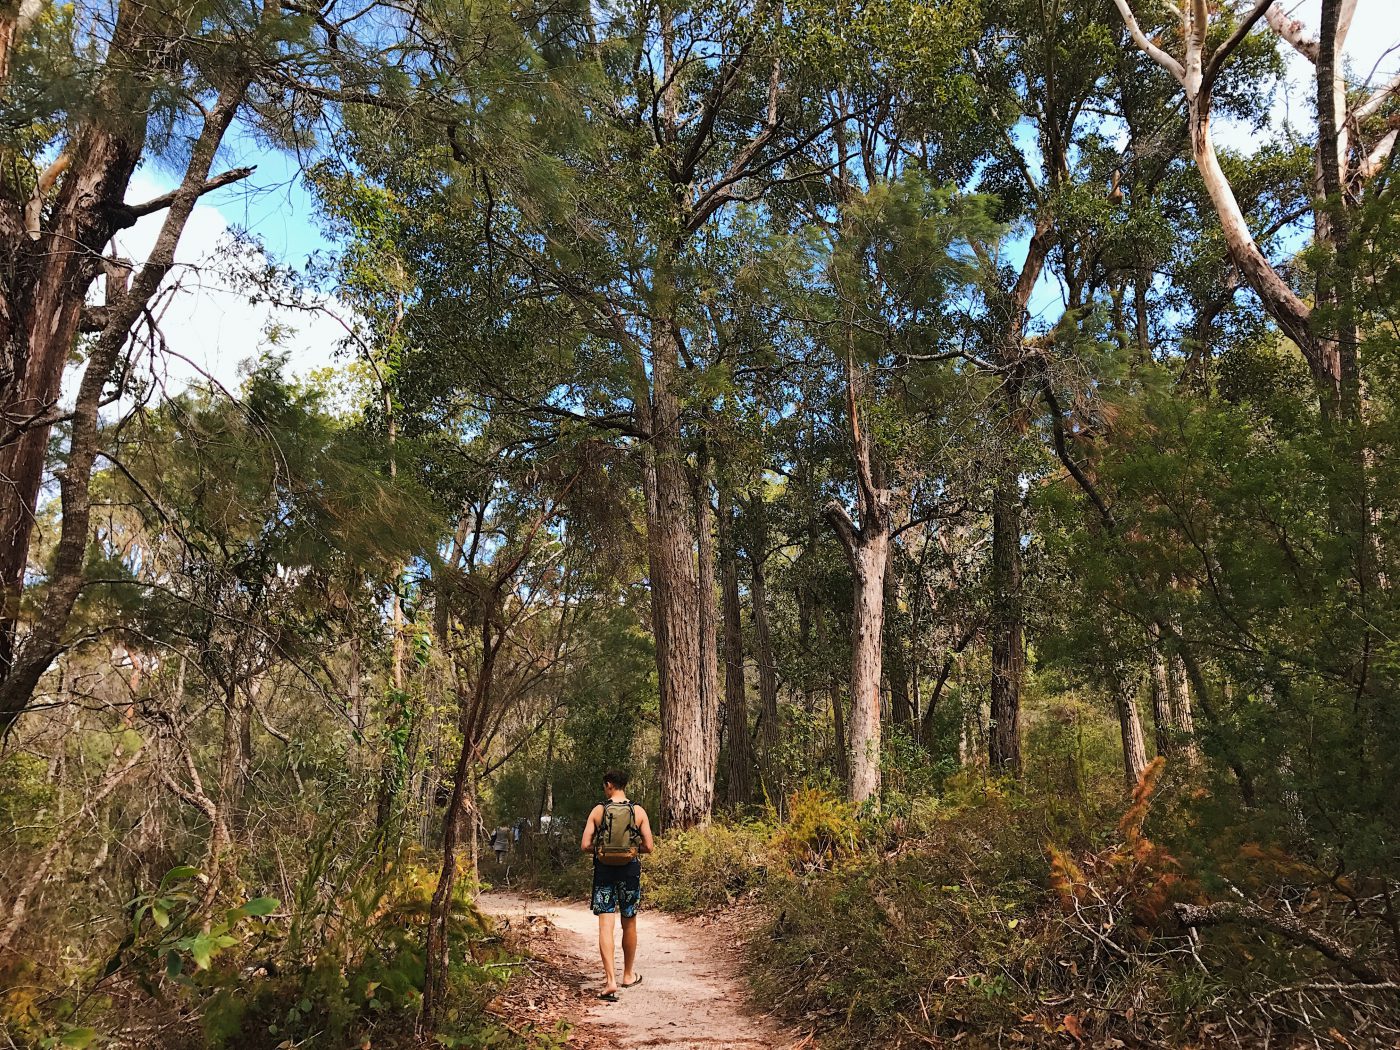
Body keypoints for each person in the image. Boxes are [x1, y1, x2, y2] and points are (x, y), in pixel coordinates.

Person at [579, 770, 654, 1000]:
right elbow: (649, 846)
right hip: (630, 871)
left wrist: (603, 851)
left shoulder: (599, 810)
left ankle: (610, 980)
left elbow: (584, 845)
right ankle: (628, 975)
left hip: (604, 872)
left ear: (609, 785)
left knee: (605, 925)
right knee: (629, 922)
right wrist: (630, 851)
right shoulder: (638, 811)